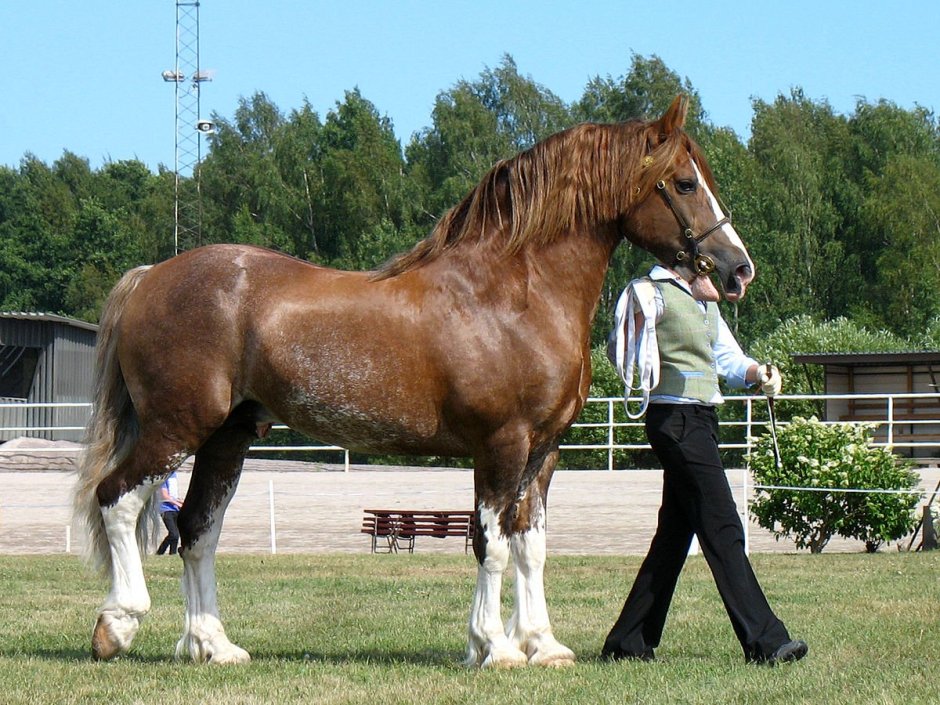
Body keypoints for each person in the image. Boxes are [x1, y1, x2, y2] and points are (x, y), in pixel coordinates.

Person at [602, 263, 807, 666]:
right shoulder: (648, 291)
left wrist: (757, 372)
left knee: (674, 537)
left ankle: (628, 641)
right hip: (673, 418)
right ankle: (766, 642)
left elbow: (727, 359)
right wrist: (636, 326)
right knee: (723, 525)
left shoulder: (703, 295)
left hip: (702, 419)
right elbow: (621, 355)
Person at [156, 471, 183, 555]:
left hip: (175, 509)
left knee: (176, 535)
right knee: (173, 534)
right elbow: (165, 495)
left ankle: (173, 554)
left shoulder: (174, 475)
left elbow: (173, 495)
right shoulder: (163, 476)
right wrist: (178, 504)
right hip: (165, 509)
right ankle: (160, 553)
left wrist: (180, 501)